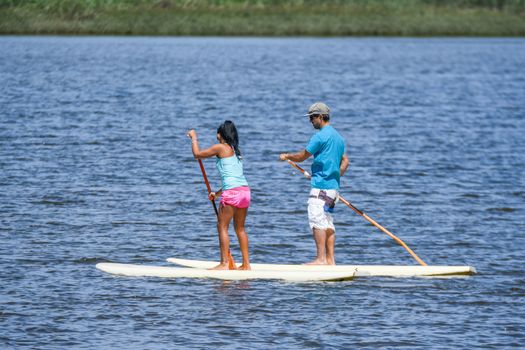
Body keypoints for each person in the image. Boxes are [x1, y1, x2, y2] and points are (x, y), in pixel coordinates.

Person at [280, 102, 349, 265]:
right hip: (333, 189)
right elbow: (346, 162)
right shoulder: (338, 137)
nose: (310, 121)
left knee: (317, 220)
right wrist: (334, 176)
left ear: (320, 116)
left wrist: (287, 156)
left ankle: (320, 259)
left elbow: (303, 156)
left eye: (312, 117)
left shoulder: (320, 136)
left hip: (320, 187)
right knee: (328, 222)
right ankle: (330, 260)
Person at [187, 121, 251, 270]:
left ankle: (223, 264)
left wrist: (194, 138)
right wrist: (216, 194)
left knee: (222, 226)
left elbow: (197, 155)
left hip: (232, 193)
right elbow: (234, 179)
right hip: (244, 191)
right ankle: (246, 264)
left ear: (220, 135)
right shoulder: (236, 151)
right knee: (240, 229)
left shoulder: (221, 147)